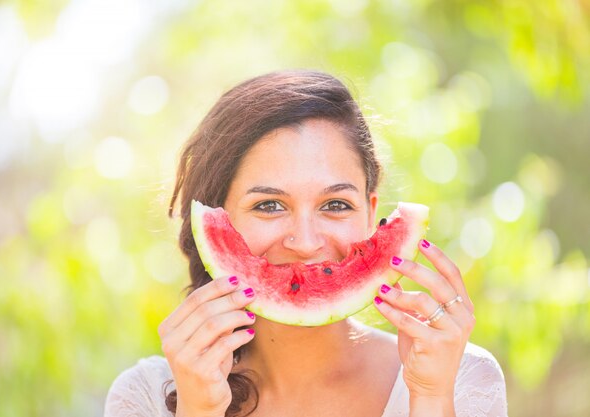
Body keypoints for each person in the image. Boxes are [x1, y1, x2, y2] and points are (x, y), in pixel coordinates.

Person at [104, 70, 508, 417]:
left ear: (371, 215)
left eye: (335, 204)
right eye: (268, 205)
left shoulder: (462, 380)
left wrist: (432, 399)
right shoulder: (145, 397)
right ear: (217, 220)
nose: (305, 241)